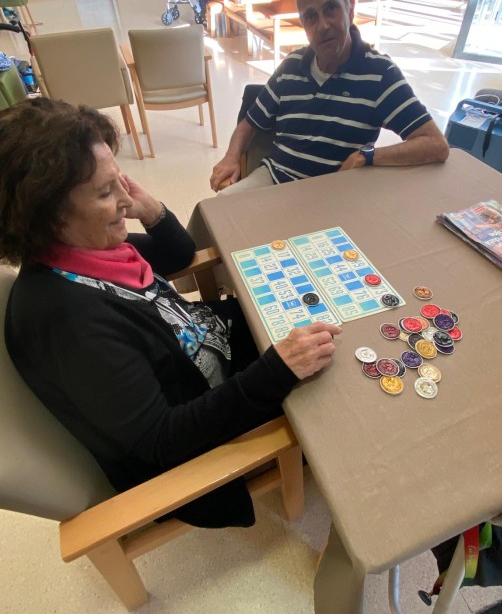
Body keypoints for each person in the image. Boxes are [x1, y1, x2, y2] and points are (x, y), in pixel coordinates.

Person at [0, 97, 340, 529]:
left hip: (204, 354)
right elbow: (163, 441)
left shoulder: (84, 250)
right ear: (47, 216)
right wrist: (277, 370)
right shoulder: (69, 323)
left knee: (320, 313)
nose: (124, 199)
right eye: (105, 192)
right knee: (346, 402)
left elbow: (178, 255)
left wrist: (149, 209)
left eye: (120, 180)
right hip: (199, 432)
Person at [209, 0, 449, 195]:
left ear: (350, 9)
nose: (322, 25)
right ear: (303, 24)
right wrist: (231, 157)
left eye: (331, 8)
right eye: (311, 16)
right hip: (275, 179)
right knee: (221, 209)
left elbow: (435, 144)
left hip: (335, 194)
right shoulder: (290, 66)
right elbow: (249, 123)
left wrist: (369, 156)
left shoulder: (379, 74)